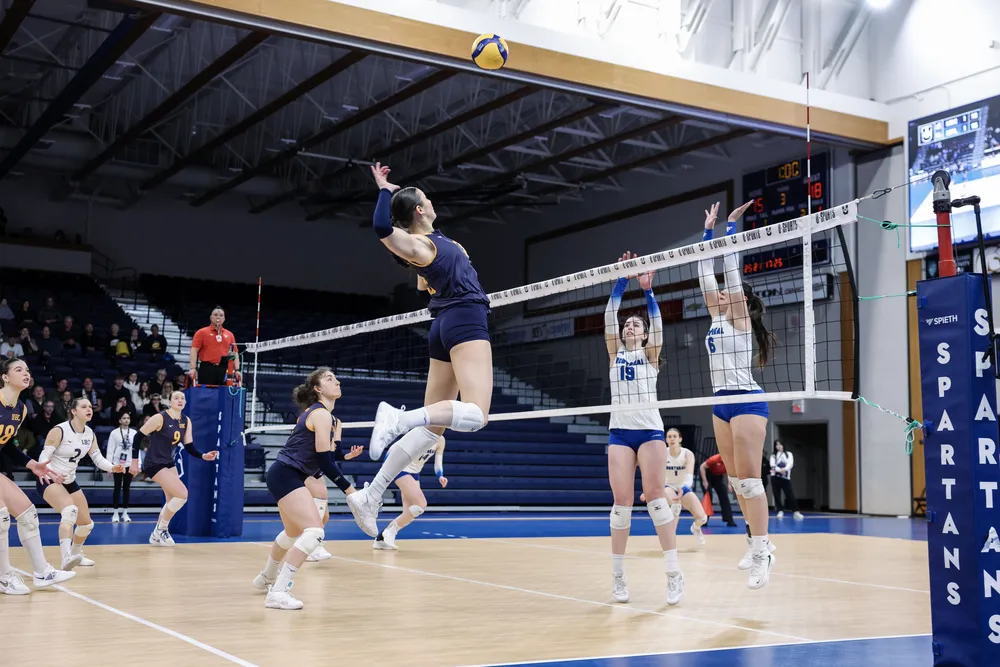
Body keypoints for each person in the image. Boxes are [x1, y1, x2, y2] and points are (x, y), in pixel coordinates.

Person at [345, 162, 493, 537]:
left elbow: (423, 284)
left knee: (433, 431)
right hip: (464, 318)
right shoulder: (423, 246)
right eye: (426, 199)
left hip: (444, 323)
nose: (430, 201)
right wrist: (383, 189)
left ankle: (371, 494)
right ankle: (398, 419)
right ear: (419, 211)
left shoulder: (437, 244)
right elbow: (382, 229)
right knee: (476, 415)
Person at [697, 200, 777, 589]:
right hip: (721, 402)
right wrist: (707, 233)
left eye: (730, 293)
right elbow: (704, 275)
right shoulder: (716, 317)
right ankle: (754, 540)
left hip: (746, 399)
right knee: (734, 482)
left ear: (740, 299)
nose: (722, 296)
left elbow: (727, 273)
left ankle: (763, 551)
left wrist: (730, 230)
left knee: (750, 481)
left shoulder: (742, 320)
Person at [602, 252, 683, 606]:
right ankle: (618, 577)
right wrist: (621, 282)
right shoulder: (614, 353)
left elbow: (659, 326)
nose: (629, 327)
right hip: (620, 432)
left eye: (637, 325)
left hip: (650, 432)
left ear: (646, 334)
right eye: (627, 324)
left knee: (655, 499)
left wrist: (648, 293)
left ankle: (674, 574)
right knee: (621, 504)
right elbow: (609, 316)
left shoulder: (651, 355)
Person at [252, 367, 356, 610]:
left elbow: (329, 455)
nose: (337, 381)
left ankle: (267, 577)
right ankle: (278, 592)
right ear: (318, 389)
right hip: (287, 474)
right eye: (330, 379)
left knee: (291, 534)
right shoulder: (320, 414)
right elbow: (324, 460)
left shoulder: (327, 418)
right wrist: (349, 490)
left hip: (286, 475)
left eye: (336, 378)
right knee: (315, 532)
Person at [0, 359, 79, 594]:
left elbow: (5, 445)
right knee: (2, 515)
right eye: (18, 369)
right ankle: (4, 577)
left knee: (27, 514)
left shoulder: (21, 408)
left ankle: (42, 572)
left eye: (26, 369)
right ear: (4, 377)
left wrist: (31, 463)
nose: (25, 373)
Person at [37, 398, 124, 569]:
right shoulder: (59, 430)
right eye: (84, 407)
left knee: (86, 524)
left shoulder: (89, 434)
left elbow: (97, 458)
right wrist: (51, 474)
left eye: (90, 407)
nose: (89, 409)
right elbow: (43, 458)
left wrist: (113, 467)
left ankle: (76, 554)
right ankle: (65, 557)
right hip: (49, 479)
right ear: (74, 411)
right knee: (70, 511)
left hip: (69, 481)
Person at [130, 390, 219, 546]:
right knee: (182, 494)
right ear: (170, 402)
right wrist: (134, 461)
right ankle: (161, 529)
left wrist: (203, 455)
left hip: (168, 462)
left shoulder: (186, 421)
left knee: (172, 500)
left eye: (182, 398)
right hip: (153, 463)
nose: (180, 400)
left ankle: (156, 536)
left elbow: (189, 446)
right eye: (176, 398)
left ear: (185, 403)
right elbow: (138, 436)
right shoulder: (160, 418)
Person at [373, 436, 447, 551]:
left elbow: (438, 461)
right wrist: (387, 467)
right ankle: (389, 532)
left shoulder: (441, 440)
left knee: (410, 513)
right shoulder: (420, 433)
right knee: (421, 504)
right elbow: (395, 448)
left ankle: (381, 539)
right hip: (401, 469)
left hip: (415, 473)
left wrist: (440, 475)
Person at [641, 428, 708, 546]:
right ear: (666, 439)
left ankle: (696, 528)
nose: (672, 439)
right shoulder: (662, 453)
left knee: (702, 518)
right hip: (668, 486)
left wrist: (684, 489)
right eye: (669, 436)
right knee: (676, 505)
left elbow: (689, 476)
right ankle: (670, 541)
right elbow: (654, 474)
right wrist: (647, 490)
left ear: (680, 439)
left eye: (674, 436)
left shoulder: (687, 454)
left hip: (684, 486)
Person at [304, 442, 363, 562]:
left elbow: (333, 455)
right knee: (315, 514)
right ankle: (310, 547)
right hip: (305, 465)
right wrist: (348, 489)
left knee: (324, 517)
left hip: (317, 468)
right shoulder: (313, 424)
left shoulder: (337, 424)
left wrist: (347, 456)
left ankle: (312, 543)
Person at [188, 308, 241, 386]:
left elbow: (235, 353)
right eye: (215, 315)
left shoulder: (230, 335)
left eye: (221, 315)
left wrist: (237, 370)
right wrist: (193, 368)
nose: (218, 317)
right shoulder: (201, 332)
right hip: (207, 368)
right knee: (205, 394)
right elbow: (194, 350)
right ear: (211, 317)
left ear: (224, 319)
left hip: (224, 369)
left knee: (223, 394)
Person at [106, 411, 138, 522]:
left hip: (129, 464)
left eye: (128, 418)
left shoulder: (134, 433)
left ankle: (125, 513)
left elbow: (136, 450)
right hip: (117, 464)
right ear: (119, 420)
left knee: (127, 489)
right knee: (117, 488)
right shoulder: (114, 433)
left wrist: (137, 465)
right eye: (124, 418)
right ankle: (115, 513)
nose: (126, 420)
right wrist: (108, 466)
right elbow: (110, 450)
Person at [699, 452, 736, 527]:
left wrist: (729, 485)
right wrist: (705, 481)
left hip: (718, 477)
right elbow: (702, 467)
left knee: (724, 496)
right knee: (708, 497)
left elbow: (729, 473)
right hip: (707, 475)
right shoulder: (715, 458)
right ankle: (704, 520)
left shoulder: (730, 462)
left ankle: (729, 520)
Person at [770, 440, 803, 520]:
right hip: (775, 477)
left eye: (780, 444)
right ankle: (780, 510)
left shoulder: (788, 454)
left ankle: (796, 511)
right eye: (776, 445)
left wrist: (784, 469)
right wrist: (779, 470)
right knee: (777, 494)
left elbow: (790, 464)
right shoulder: (773, 455)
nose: (778, 446)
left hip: (785, 477)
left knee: (789, 494)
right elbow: (772, 465)